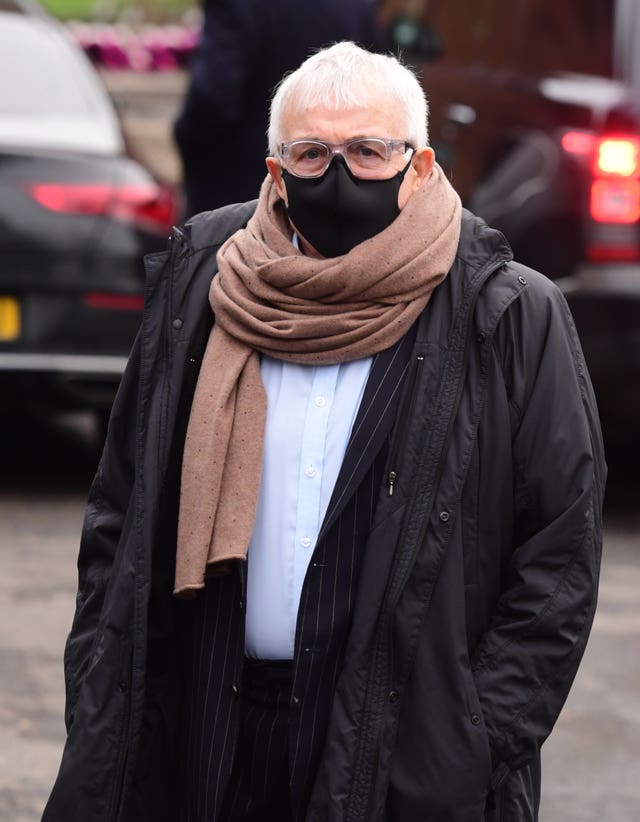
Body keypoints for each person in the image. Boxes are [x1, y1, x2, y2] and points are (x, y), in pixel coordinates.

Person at [43, 41, 606, 822]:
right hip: (208, 723)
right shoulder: (204, 283)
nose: (338, 176)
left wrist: (471, 740)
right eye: (311, 153)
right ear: (275, 170)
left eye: (369, 152)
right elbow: (122, 510)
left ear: (418, 165)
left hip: (397, 747)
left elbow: (558, 558)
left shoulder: (507, 312)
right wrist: (103, 687)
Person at [173, 0, 385, 217]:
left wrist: (185, 139)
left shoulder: (237, 5)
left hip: (241, 186)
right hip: (334, 187)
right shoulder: (355, 5)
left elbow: (211, 98)